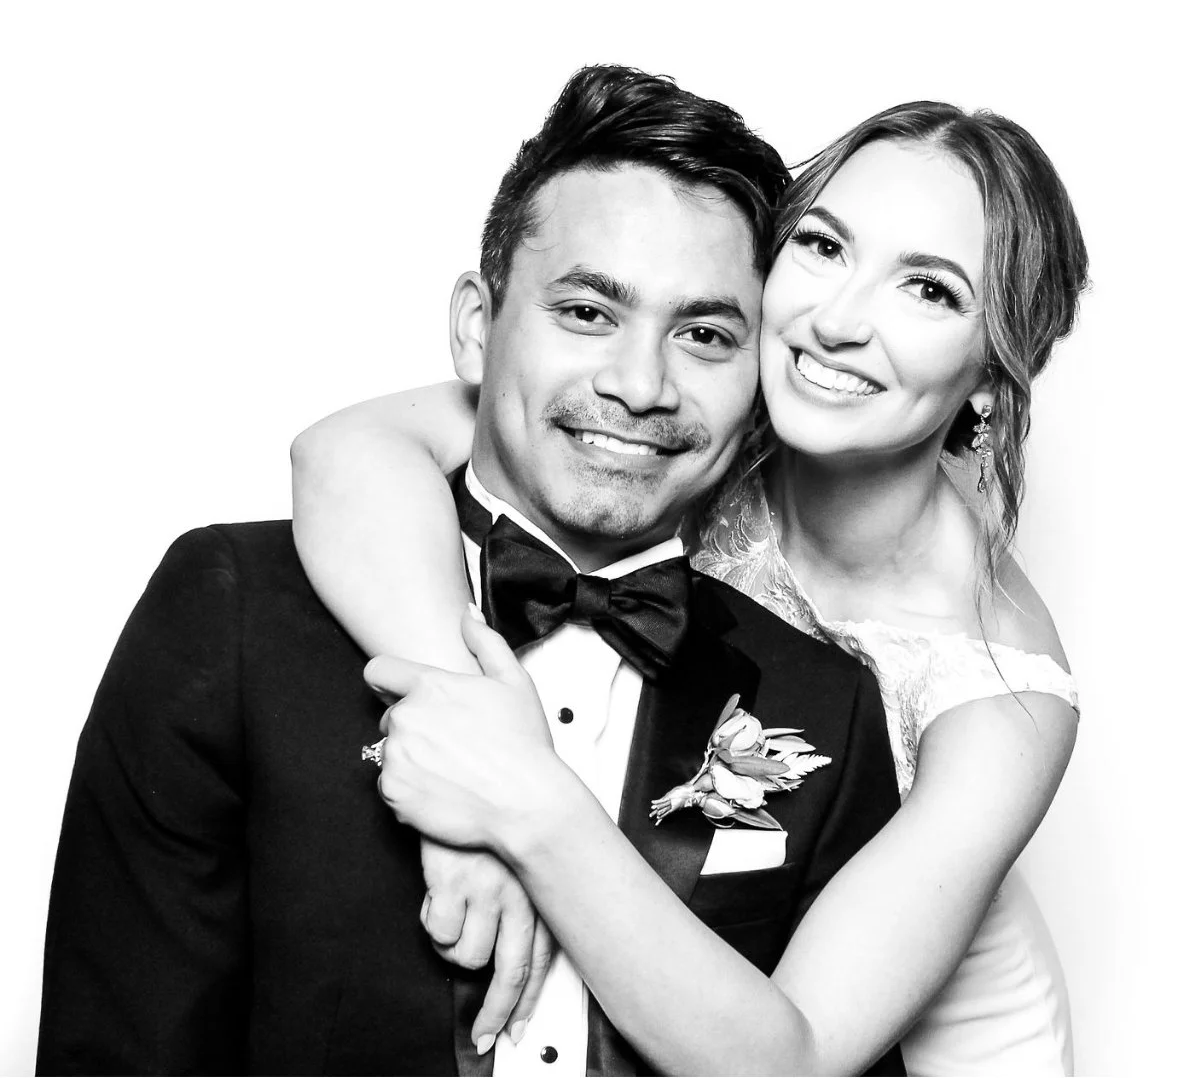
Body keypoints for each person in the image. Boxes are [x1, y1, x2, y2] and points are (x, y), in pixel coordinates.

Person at [37, 65, 905, 1075]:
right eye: (587, 313)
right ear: (477, 328)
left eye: (706, 335)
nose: (639, 384)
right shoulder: (235, 612)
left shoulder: (827, 703)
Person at [291, 97, 1088, 1073]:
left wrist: (520, 805)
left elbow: (789, 1059)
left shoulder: (1005, 693)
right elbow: (346, 452)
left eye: (929, 290)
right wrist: (461, 730)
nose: (837, 321)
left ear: (992, 379)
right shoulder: (685, 419)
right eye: (826, 248)